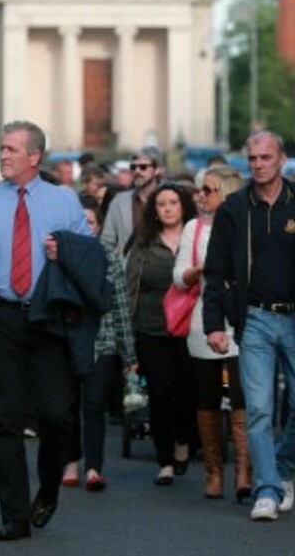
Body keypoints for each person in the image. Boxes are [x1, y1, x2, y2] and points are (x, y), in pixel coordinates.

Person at [0, 120, 93, 543]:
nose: (3, 155)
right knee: (5, 419)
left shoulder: (64, 202)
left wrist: (67, 250)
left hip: (49, 316)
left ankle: (48, 487)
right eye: (2, 148)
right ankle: (16, 515)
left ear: (34, 156)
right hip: (1, 317)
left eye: (11, 149)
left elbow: (91, 256)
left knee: (56, 414)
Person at [203, 130, 295, 522]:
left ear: (282, 159)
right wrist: (214, 324)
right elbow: (216, 271)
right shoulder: (234, 209)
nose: (259, 164)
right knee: (260, 410)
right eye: (252, 158)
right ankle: (265, 489)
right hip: (256, 320)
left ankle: (283, 470)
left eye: (266, 157)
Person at [174, 164, 251, 501]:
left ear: (227, 193)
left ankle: (244, 471)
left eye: (208, 190)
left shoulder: (248, 226)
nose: (200, 196)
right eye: (200, 190)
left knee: (240, 396)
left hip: (244, 318)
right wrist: (205, 268)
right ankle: (213, 471)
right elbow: (179, 278)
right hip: (205, 317)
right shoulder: (195, 227)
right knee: (205, 396)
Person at [62, 194, 137, 490]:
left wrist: (129, 357)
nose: (86, 226)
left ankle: (93, 467)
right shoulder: (60, 255)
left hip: (102, 343)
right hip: (67, 343)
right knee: (67, 406)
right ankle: (70, 463)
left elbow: (120, 308)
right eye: (81, 221)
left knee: (93, 405)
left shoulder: (109, 258)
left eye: (91, 221)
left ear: (98, 225)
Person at [126, 181, 198, 486]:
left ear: (183, 207)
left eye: (173, 203)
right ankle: (165, 459)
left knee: (188, 393)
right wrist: (127, 342)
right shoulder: (143, 245)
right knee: (160, 394)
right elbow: (131, 290)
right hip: (151, 327)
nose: (168, 208)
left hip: (191, 328)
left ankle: (184, 439)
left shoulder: (197, 239)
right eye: (161, 204)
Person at [102, 147, 163, 259]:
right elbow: (107, 242)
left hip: (163, 271)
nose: (137, 171)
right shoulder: (119, 202)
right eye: (133, 167)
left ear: (157, 170)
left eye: (143, 167)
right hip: (128, 272)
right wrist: (116, 269)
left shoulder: (169, 200)